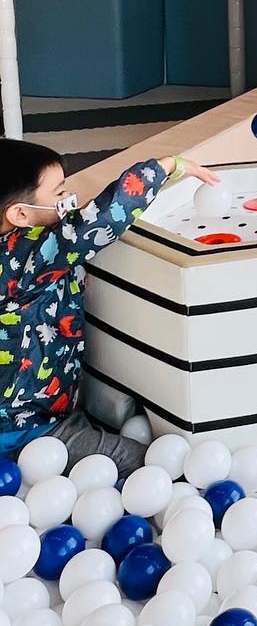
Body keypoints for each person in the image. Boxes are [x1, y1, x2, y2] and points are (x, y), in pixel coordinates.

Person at [0, 140, 218, 474]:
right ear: (20, 215)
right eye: (59, 193)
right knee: (150, 467)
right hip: (27, 429)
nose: (70, 200)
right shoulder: (25, 254)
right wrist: (164, 168)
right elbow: (97, 221)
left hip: (40, 412)